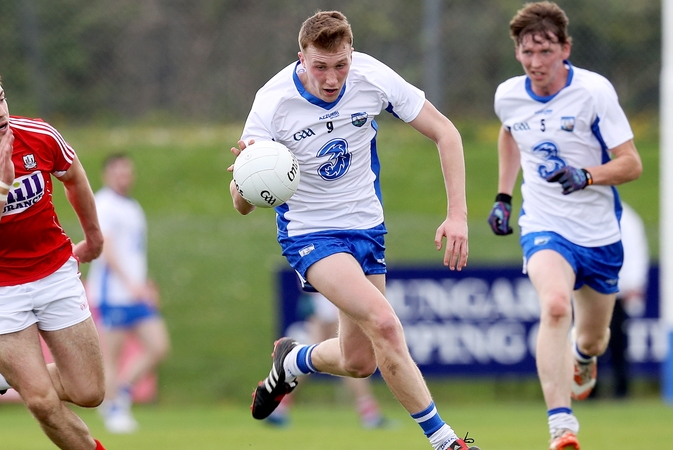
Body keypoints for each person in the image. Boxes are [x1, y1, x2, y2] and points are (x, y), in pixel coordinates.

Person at [228, 11, 478, 450]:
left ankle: (294, 360)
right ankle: (445, 442)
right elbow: (240, 205)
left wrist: (457, 213)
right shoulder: (272, 102)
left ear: (351, 54)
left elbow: (445, 132)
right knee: (385, 323)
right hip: (310, 234)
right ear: (301, 58)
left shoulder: (371, 76)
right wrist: (250, 174)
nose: (331, 78)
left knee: (359, 361)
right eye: (320, 66)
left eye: (340, 64)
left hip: (366, 229)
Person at [487, 3, 643, 449]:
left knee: (594, 339)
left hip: (598, 234)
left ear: (565, 49)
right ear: (517, 53)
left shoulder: (594, 92)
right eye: (526, 52)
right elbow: (510, 131)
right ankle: (562, 426)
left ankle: (582, 356)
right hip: (544, 224)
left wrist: (586, 176)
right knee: (555, 305)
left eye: (544, 50)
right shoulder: (508, 95)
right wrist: (503, 195)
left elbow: (631, 164)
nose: (536, 62)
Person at [0, 61, 108, 450]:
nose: (1, 112)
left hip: (54, 272)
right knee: (42, 401)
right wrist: (1, 186)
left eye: (2, 99)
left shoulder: (38, 134)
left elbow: (73, 175)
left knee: (90, 392)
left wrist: (93, 237)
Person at [86, 154, 171, 433]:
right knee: (112, 355)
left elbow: (134, 251)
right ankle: (112, 409)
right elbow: (106, 248)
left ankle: (119, 393)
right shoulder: (104, 203)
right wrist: (128, 282)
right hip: (113, 294)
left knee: (158, 346)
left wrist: (145, 283)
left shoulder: (132, 206)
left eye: (128, 171)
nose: (125, 176)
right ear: (107, 174)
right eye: (119, 171)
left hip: (136, 293)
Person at [266, 292, 396, 430]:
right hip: (328, 301)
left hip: (328, 300)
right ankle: (277, 405)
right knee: (330, 357)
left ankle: (277, 406)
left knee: (345, 358)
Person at [590, 202, 649, 399]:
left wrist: (634, 285)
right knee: (587, 340)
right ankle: (590, 389)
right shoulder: (585, 211)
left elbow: (635, 253)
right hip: (590, 288)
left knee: (616, 342)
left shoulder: (626, 218)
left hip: (617, 291)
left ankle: (621, 389)